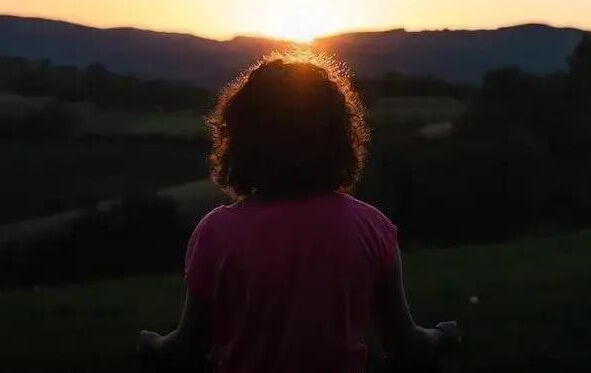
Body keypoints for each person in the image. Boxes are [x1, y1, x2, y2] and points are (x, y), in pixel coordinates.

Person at [137, 52, 459, 372]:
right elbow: (406, 346)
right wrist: (442, 336)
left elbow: (188, 349)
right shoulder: (370, 227)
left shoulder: (216, 233)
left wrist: (153, 344)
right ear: (339, 136)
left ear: (240, 139)